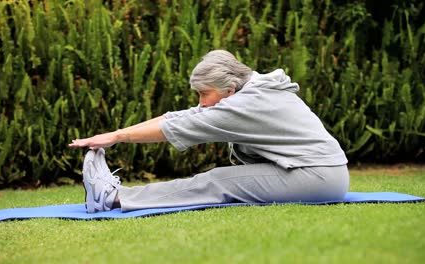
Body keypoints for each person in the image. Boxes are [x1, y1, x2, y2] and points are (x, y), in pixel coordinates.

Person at [69, 50, 349, 213]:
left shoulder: (247, 104)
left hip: (316, 176)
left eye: (204, 94)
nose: (201, 102)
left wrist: (117, 137)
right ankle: (116, 196)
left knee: (218, 181)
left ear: (228, 90)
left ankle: (112, 198)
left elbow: (178, 126)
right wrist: (117, 133)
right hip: (321, 173)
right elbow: (180, 116)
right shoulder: (251, 89)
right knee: (221, 180)